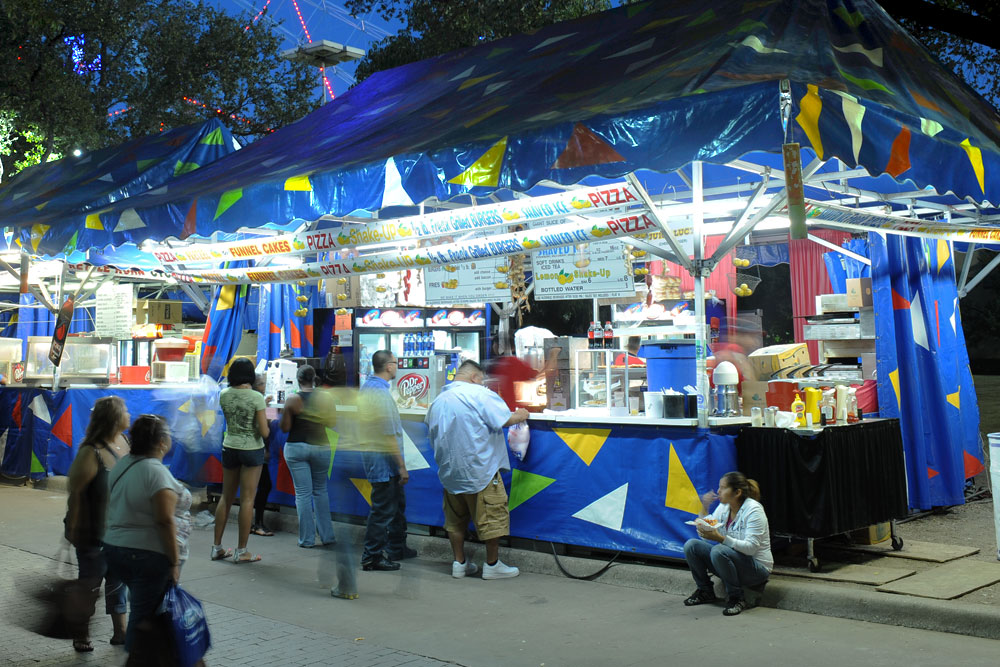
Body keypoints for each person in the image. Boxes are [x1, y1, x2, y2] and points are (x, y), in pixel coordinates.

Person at [426, 359, 529, 580]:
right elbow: (505, 419)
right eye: (482, 379)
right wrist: (522, 414)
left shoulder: (438, 400)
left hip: (449, 471)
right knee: (492, 516)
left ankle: (459, 564)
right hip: (480, 469)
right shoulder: (480, 394)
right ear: (475, 377)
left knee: (455, 520)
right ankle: (492, 565)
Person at [103, 415, 185, 657]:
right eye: (168, 434)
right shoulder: (156, 472)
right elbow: (164, 520)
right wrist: (174, 561)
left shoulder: (123, 463)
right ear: (161, 442)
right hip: (145, 554)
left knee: (144, 609)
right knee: (143, 616)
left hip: (116, 548)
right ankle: (139, 656)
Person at [63, 396, 130, 652]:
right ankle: (81, 633)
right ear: (112, 418)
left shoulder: (125, 442)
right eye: (124, 410)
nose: (128, 414)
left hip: (120, 532)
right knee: (90, 585)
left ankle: (120, 631)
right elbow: (76, 493)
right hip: (93, 535)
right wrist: (74, 532)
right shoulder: (90, 452)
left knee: (118, 583)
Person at [682, 471, 772, 616]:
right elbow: (707, 535)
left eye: (723, 488)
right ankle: (705, 591)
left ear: (737, 492)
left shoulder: (754, 510)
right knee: (691, 546)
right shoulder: (724, 507)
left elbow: (750, 549)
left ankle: (736, 598)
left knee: (719, 550)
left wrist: (721, 539)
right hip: (733, 562)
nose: (718, 491)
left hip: (757, 569)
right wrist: (703, 509)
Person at [358, 349, 414, 571]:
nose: (397, 366)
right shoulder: (380, 395)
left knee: (396, 505)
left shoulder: (369, 388)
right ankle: (371, 557)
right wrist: (402, 467)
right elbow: (388, 434)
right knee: (382, 510)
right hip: (383, 462)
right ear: (389, 366)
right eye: (395, 363)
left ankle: (397, 546)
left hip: (375, 458)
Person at [213, 357, 269, 563]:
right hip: (252, 449)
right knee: (247, 500)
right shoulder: (256, 397)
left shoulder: (224, 394)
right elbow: (263, 431)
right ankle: (241, 551)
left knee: (226, 498)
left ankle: (217, 547)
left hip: (230, 447)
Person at [281, 364, 337, 548]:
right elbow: (332, 423)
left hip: (296, 448)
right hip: (321, 447)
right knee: (321, 491)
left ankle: (307, 539)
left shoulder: (292, 399)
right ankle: (327, 536)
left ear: (298, 380)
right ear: (314, 379)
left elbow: (285, 428)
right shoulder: (326, 398)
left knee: (303, 493)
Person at [251, 373, 276, 537]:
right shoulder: (255, 402)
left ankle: (256, 522)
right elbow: (264, 429)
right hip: (256, 450)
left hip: (260, 449)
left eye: (265, 383)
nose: (264, 386)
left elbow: (270, 423)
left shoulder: (262, 401)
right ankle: (256, 523)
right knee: (263, 485)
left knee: (263, 485)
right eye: (260, 383)